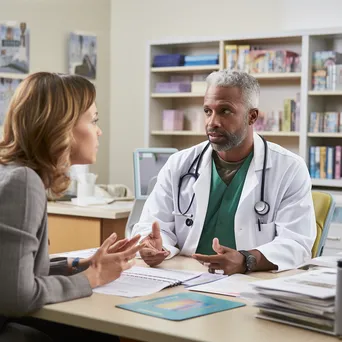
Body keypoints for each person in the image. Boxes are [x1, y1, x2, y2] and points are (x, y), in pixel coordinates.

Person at [0, 72, 143, 341]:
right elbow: (15, 297)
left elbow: (10, 270)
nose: (99, 130)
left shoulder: (15, 172)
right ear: (61, 127)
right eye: (93, 120)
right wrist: (92, 277)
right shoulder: (23, 181)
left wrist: (76, 265)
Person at [131, 69, 316, 275]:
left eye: (225, 111)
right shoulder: (179, 164)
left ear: (251, 116)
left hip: (252, 282)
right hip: (184, 276)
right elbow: (152, 225)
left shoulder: (289, 168)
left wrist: (246, 259)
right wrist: (156, 246)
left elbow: (297, 243)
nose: (212, 122)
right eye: (208, 111)